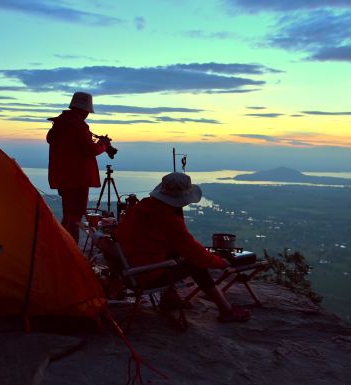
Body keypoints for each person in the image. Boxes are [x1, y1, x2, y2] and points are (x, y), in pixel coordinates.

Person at [116, 172, 250, 322]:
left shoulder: (141, 207)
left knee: (173, 252)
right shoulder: (168, 219)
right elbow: (193, 251)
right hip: (145, 275)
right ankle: (226, 310)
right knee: (195, 264)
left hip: (129, 269)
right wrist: (220, 263)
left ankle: (169, 299)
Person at [47, 91, 110, 243]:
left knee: (69, 214)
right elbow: (90, 150)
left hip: (63, 177)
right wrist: (103, 144)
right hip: (78, 178)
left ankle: (61, 245)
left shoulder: (60, 124)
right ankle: (70, 249)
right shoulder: (78, 126)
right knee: (75, 216)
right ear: (84, 110)